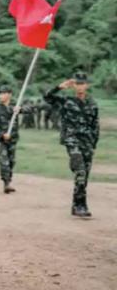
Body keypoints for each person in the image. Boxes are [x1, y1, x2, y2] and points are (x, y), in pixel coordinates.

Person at [44, 72, 99, 217]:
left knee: (84, 175)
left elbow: (95, 125)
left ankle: (77, 205)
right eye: (77, 83)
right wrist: (59, 87)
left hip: (87, 142)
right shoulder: (66, 101)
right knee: (80, 170)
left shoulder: (92, 103)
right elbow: (47, 97)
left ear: (87, 85)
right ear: (73, 85)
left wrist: (93, 144)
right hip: (72, 139)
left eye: (82, 83)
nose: (80, 86)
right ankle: (81, 205)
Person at [0, 86, 19, 194]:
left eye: (4, 93)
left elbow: (30, 110)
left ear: (9, 94)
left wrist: (20, 109)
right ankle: (6, 183)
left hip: (13, 138)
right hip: (1, 139)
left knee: (11, 161)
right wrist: (2, 135)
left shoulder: (14, 106)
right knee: (4, 161)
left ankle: (9, 181)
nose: (1, 95)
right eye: (0, 93)